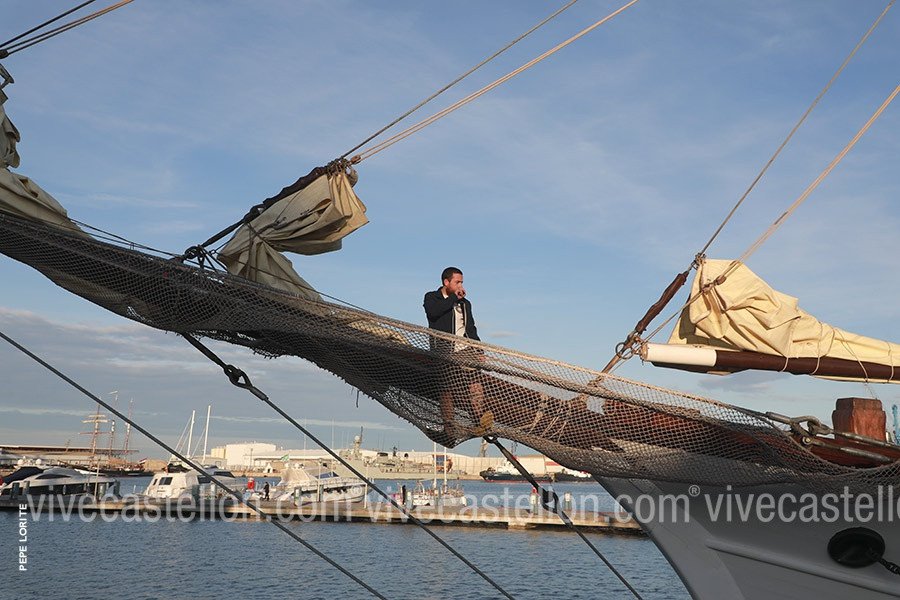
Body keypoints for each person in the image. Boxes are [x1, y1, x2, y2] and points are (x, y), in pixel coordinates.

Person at [423, 267, 492, 442]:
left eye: (462, 282)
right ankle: (449, 430)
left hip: (464, 350)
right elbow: (434, 313)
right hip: (444, 351)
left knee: (475, 382)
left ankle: (478, 421)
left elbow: (471, 329)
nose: (461, 285)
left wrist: (479, 350)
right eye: (457, 282)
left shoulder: (465, 303)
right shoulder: (432, 297)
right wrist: (454, 298)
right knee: (446, 390)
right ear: (446, 282)